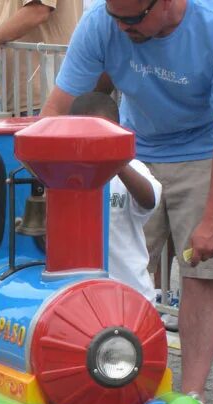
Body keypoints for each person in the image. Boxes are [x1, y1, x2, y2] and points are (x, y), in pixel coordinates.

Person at [40, 0, 213, 404]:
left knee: (202, 272)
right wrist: (35, 183)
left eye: (133, 20)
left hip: (206, 151)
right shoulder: (104, 19)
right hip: (132, 147)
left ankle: (193, 398)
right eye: (116, 17)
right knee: (111, 267)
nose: (122, 28)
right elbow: (56, 111)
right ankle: (108, 387)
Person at [69, 92, 162, 301]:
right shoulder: (65, 172)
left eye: (100, 132)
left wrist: (116, 161)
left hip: (130, 293)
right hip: (82, 296)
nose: (92, 140)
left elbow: (149, 200)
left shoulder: (132, 168)